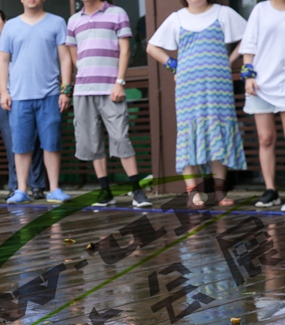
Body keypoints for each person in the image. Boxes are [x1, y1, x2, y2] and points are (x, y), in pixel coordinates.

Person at [147, 0, 247, 207]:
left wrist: (229, 60)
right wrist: (173, 65)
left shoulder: (223, 13)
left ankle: (219, 192)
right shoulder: (177, 18)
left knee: (218, 134)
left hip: (218, 86)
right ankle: (192, 193)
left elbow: (250, 37)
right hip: (187, 89)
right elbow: (152, 47)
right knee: (188, 135)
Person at [66, 0, 152, 208]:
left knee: (121, 137)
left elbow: (125, 51)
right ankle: (105, 192)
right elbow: (73, 53)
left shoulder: (117, 13)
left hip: (111, 88)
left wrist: (119, 82)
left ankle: (137, 191)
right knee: (92, 141)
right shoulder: (73, 20)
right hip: (84, 90)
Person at [0, 0, 73, 204]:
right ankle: (21, 190)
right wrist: (4, 91)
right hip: (19, 96)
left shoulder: (57, 22)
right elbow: (3, 60)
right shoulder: (11, 26)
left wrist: (66, 90)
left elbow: (65, 58)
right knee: (21, 145)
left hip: (50, 94)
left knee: (52, 143)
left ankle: (54, 188)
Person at [0, 8, 46, 199]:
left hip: (25, 95)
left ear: (6, 22)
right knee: (12, 145)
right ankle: (15, 185)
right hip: (5, 101)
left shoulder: (19, 42)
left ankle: (37, 185)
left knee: (32, 142)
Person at [239, 0, 285, 208]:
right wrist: (248, 76)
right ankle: (271, 191)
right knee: (265, 138)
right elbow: (248, 46)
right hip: (261, 84)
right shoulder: (260, 10)